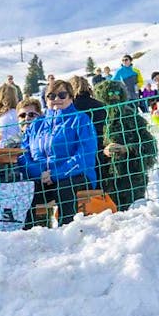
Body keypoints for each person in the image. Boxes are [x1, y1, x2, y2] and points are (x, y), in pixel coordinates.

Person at [18, 79, 98, 226]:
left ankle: (67, 230)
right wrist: (40, 173)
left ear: (71, 97)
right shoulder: (37, 124)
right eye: (51, 96)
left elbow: (84, 155)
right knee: (27, 191)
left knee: (64, 188)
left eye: (62, 95)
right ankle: (29, 233)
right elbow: (24, 154)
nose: (57, 99)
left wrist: (55, 174)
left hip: (75, 174)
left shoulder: (80, 119)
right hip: (43, 176)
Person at [94, 80, 157, 210]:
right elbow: (86, 148)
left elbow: (148, 145)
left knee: (135, 211)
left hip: (133, 174)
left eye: (117, 93)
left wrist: (127, 149)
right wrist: (104, 151)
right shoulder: (96, 118)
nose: (114, 96)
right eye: (110, 93)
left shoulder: (132, 117)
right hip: (105, 177)